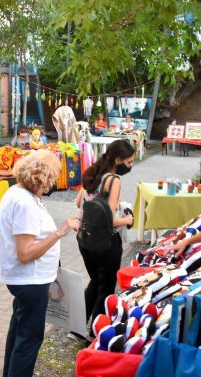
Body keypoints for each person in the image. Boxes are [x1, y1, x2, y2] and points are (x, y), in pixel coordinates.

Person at [0, 150, 80, 377]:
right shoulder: (25, 203)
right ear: (44, 175)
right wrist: (60, 231)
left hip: (27, 279)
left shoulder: (19, 193)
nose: (56, 180)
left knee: (19, 331)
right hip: (29, 280)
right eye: (56, 174)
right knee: (29, 338)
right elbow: (25, 253)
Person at [76, 140, 135, 331]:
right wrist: (127, 219)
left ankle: (76, 328)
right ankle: (96, 333)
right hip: (106, 243)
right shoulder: (113, 180)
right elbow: (110, 220)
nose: (131, 166)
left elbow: (80, 204)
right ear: (118, 160)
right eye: (129, 162)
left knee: (95, 281)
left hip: (85, 239)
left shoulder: (92, 173)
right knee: (106, 287)